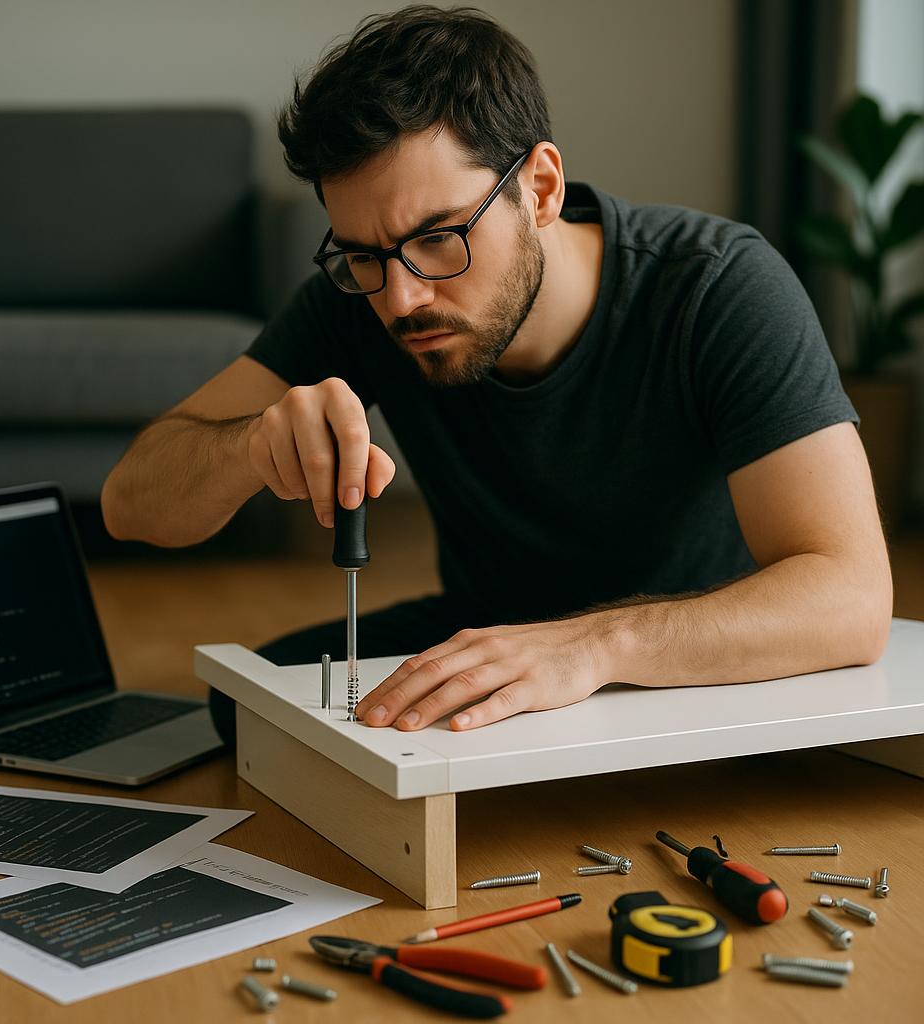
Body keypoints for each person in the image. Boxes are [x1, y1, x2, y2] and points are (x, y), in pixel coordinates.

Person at [101, 6, 891, 747]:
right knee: (250, 706)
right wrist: (250, 447)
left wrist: (591, 646)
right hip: (493, 641)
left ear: (540, 188)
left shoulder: (715, 286)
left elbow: (850, 598)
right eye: (364, 255)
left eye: (439, 237)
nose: (401, 297)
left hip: (701, 670)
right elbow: (130, 503)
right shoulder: (363, 295)